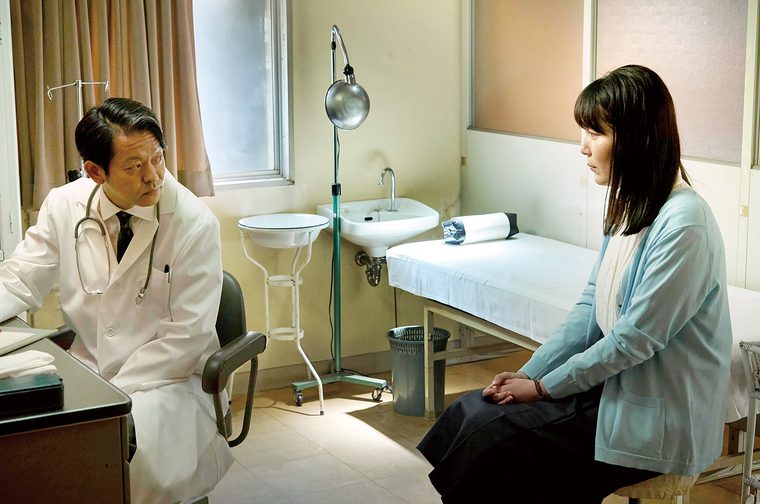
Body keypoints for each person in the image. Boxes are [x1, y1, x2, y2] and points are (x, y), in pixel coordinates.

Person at [417, 65, 733, 502]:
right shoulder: (628, 207)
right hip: (611, 391)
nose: (582, 148)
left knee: (498, 446)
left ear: (638, 138)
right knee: (472, 411)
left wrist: (544, 388)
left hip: (654, 419)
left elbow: (631, 341)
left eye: (595, 133)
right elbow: (590, 309)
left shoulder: (684, 224)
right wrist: (528, 374)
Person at [0, 97, 233, 503]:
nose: (153, 177)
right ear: (94, 171)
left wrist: (112, 393)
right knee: (38, 451)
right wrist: (98, 388)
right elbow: (21, 278)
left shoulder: (194, 224)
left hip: (168, 382)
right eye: (134, 166)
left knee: (130, 464)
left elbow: (187, 338)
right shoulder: (63, 206)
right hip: (90, 365)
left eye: (157, 158)